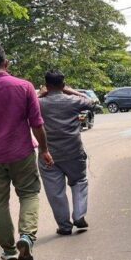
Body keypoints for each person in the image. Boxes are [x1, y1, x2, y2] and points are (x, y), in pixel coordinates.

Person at [0, 44, 53, 260]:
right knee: (28, 194)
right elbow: (37, 124)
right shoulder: (24, 87)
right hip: (21, 152)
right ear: (5, 64)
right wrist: (44, 149)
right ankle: (26, 236)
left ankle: (8, 250)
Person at [37, 70, 94, 235]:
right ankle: (79, 215)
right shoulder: (73, 100)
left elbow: (26, 104)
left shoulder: (39, 103)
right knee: (79, 182)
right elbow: (91, 102)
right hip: (74, 152)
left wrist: (41, 94)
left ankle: (64, 226)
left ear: (46, 86)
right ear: (63, 85)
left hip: (48, 154)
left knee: (55, 192)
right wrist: (71, 91)